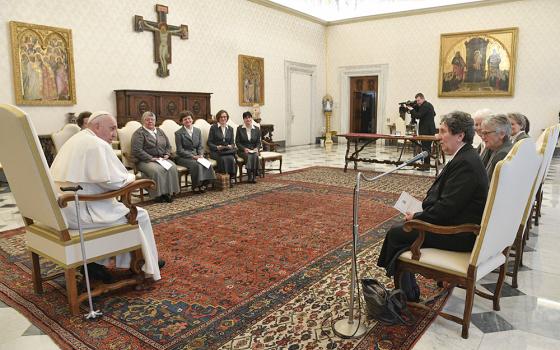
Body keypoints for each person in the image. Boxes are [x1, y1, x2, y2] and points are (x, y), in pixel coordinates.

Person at [377, 111, 489, 301]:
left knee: (398, 232)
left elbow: (447, 208)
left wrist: (418, 218)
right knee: (402, 230)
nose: (437, 137)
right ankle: (406, 287)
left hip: (460, 234)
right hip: (457, 221)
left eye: (443, 131)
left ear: (460, 135)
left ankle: (407, 295)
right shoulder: (466, 155)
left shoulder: (467, 163)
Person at [50, 111, 164, 283]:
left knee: (119, 210)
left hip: (66, 210)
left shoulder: (77, 139)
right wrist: (132, 178)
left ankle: (96, 263)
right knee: (139, 215)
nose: (114, 134)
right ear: (97, 127)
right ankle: (146, 263)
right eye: (111, 129)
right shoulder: (97, 144)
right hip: (84, 212)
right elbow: (115, 183)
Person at [131, 111, 180, 203]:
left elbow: (168, 146)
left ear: (155, 121)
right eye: (147, 120)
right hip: (145, 160)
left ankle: (168, 192)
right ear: (143, 121)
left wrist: (167, 154)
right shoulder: (139, 133)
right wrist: (151, 158)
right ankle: (158, 195)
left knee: (172, 167)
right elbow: (137, 150)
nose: (150, 121)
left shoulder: (160, 131)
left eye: (152, 119)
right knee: (157, 170)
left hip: (161, 158)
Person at [175, 110, 216, 193]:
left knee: (206, 163)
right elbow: (180, 150)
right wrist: (193, 156)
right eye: (185, 119)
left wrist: (200, 154)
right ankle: (196, 186)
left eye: (189, 118)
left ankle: (204, 183)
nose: (187, 121)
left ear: (192, 119)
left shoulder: (197, 131)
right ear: (182, 122)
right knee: (196, 165)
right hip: (184, 157)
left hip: (198, 156)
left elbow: (200, 146)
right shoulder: (178, 133)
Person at [208, 110, 237, 187]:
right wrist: (217, 147)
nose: (223, 118)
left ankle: (231, 178)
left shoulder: (230, 128)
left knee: (231, 158)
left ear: (227, 118)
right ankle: (224, 179)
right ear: (218, 118)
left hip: (227, 151)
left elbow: (233, 143)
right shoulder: (213, 128)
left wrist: (231, 146)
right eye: (221, 117)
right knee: (223, 159)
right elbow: (209, 142)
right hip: (216, 151)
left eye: (225, 117)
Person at [408, 93, 436, 170]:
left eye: (418, 100)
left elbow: (418, 116)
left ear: (423, 98)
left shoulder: (425, 106)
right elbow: (434, 114)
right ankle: (426, 165)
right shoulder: (428, 105)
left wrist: (412, 109)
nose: (417, 102)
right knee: (426, 148)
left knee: (426, 148)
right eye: (416, 101)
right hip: (428, 129)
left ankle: (426, 166)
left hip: (427, 130)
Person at [480, 114, 513, 180]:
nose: (482, 137)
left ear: (501, 134)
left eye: (486, 133)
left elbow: (492, 187)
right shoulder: (493, 148)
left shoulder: (503, 155)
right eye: (482, 133)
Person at [236, 111, 262, 183]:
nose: (248, 119)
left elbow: (258, 142)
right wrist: (244, 148)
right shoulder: (239, 129)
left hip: (254, 150)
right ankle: (250, 176)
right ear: (243, 119)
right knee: (249, 156)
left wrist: (257, 148)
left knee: (255, 155)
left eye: (249, 117)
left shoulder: (256, 129)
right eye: (246, 118)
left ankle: (254, 176)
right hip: (243, 151)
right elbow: (237, 142)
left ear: (251, 118)